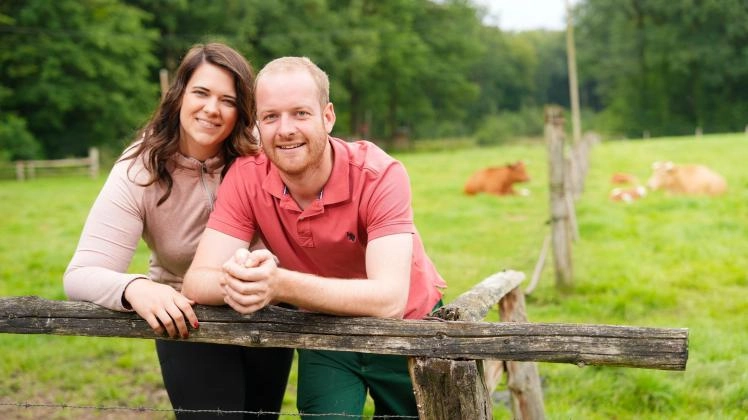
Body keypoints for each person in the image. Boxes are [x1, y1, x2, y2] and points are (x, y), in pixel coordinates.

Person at [182, 56, 447, 419]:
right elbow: (197, 281)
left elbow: (389, 299)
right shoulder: (247, 176)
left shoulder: (379, 174)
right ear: (257, 123)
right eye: (271, 116)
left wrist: (278, 285)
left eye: (300, 114)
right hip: (325, 330)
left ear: (328, 117)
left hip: (408, 329)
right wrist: (246, 281)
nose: (285, 129)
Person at [63, 43, 293, 420]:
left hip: (263, 312)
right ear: (178, 94)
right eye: (201, 93)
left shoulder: (260, 159)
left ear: (242, 110)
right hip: (185, 317)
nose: (211, 109)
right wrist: (136, 287)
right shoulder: (140, 169)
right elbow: (79, 274)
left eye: (228, 100)